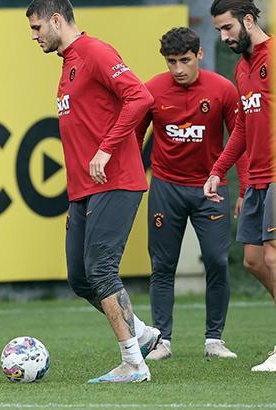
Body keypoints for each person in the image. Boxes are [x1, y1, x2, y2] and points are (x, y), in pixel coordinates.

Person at [26, 0, 162, 383]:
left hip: (115, 181)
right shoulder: (67, 63)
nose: (34, 36)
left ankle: (134, 363)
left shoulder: (95, 52)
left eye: (37, 28)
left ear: (56, 20)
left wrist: (107, 149)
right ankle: (143, 334)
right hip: (83, 190)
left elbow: (140, 97)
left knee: (101, 271)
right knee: (80, 278)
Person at [137, 27, 248, 360]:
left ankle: (214, 340)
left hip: (209, 191)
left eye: (185, 60)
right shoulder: (152, 90)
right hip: (166, 187)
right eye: (171, 62)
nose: (178, 69)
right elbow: (135, 137)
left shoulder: (222, 89)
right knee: (162, 265)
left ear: (199, 54)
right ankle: (162, 341)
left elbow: (240, 139)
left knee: (217, 260)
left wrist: (244, 189)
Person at [205, 0, 275, 372]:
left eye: (228, 28)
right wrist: (218, 170)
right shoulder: (243, 67)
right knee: (253, 261)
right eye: (218, 30)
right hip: (258, 178)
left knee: (272, 257)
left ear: (248, 20)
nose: (224, 37)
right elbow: (244, 129)